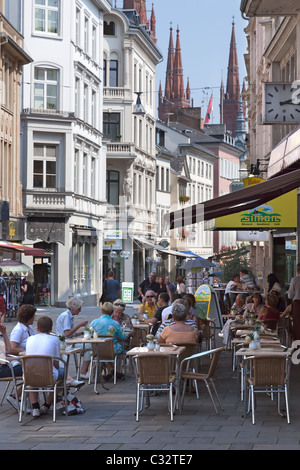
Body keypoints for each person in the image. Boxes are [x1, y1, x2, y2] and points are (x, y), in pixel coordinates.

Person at [25, 316, 65, 418]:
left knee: (32, 373)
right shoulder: (55, 339)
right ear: (51, 329)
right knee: (64, 373)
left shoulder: (30, 339)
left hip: (28, 376)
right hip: (48, 376)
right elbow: (55, 362)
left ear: (37, 329)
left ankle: (35, 407)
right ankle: (47, 404)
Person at [90, 302, 128, 380]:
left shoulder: (94, 322)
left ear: (101, 311)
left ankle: (110, 371)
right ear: (112, 312)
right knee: (119, 348)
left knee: (102, 354)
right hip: (112, 349)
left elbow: (89, 334)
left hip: (96, 349)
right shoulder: (115, 323)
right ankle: (114, 370)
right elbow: (123, 336)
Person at [55, 297, 90, 379]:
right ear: (74, 308)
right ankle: (83, 371)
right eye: (79, 308)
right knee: (89, 346)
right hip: (65, 343)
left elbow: (70, 333)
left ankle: (83, 371)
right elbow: (67, 333)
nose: (80, 311)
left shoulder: (68, 316)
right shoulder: (66, 316)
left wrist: (82, 333)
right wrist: (80, 325)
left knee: (87, 345)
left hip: (66, 341)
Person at [0, 323, 23, 411]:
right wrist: (19, 358)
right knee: (31, 371)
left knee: (32, 370)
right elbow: (2, 359)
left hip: (5, 366)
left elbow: (9, 351)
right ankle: (17, 397)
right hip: (2, 368)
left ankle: (18, 397)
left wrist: (4, 333)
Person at [288, 263, 300, 340]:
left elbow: (290, 295)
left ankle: (298, 345)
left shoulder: (295, 280)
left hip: (298, 304)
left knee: (297, 324)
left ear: (298, 270)